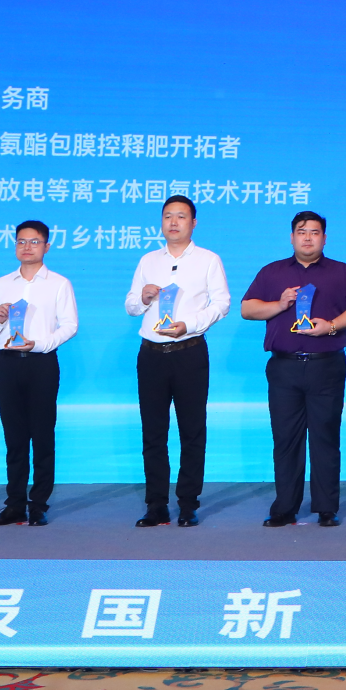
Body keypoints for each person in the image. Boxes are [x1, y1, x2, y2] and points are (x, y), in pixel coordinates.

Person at [240, 210, 346, 528]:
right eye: (302, 232)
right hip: (284, 367)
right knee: (286, 439)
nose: (308, 237)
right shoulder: (272, 272)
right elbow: (247, 308)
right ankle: (285, 507)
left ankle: (326, 507)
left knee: (325, 437)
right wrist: (279, 305)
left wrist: (331, 326)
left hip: (325, 365)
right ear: (292, 237)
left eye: (315, 232)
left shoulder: (341, 272)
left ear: (324, 238)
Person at [123, 195, 229, 527]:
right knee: (153, 431)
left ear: (193, 223)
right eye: (168, 215)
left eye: (181, 216)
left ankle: (187, 503)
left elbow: (222, 303)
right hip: (151, 355)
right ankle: (156, 504)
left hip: (189, 352)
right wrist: (143, 298)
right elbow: (131, 305)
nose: (173, 222)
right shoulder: (148, 260)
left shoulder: (209, 260)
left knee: (192, 430)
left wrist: (191, 324)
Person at [0, 219, 78, 527]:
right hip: (8, 363)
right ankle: (15, 503)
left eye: (34, 242)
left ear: (47, 246)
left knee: (42, 434)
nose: (27, 247)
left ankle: (39, 503)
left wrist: (41, 344)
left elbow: (70, 325)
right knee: (14, 436)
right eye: (21, 241)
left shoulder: (59, 283)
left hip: (41, 362)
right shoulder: (2, 284)